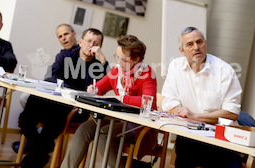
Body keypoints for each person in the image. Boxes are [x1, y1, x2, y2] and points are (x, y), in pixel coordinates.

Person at [61, 35, 157, 168]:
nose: (118, 62)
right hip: (119, 120)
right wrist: (93, 89)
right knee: (84, 129)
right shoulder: (117, 70)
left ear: (137, 59)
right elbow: (100, 87)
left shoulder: (146, 73)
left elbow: (149, 103)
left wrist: (123, 99)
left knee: (103, 136)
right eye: (117, 57)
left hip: (139, 125)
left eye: (123, 59)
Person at [19, 28, 109, 168]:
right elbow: (54, 76)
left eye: (96, 43)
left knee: (55, 117)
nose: (91, 45)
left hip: (75, 109)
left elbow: (103, 85)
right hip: (56, 101)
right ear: (80, 42)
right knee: (27, 113)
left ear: (100, 47)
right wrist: (69, 91)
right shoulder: (65, 55)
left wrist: (102, 59)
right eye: (89, 41)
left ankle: (35, 158)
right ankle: (42, 151)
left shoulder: (97, 66)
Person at [162, 26, 242, 168]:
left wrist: (195, 116)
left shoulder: (225, 70)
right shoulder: (175, 67)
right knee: (185, 147)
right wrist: (183, 113)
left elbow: (232, 112)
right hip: (189, 135)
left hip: (219, 139)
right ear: (182, 51)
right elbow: (169, 103)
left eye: (199, 42)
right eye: (190, 44)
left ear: (205, 43)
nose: (196, 47)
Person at [11, 23, 79, 153]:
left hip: (67, 101)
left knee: (33, 106)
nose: (63, 38)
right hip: (55, 94)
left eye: (66, 34)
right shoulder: (62, 55)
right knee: (26, 99)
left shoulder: (80, 55)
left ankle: (34, 143)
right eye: (60, 36)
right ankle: (41, 142)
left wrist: (61, 84)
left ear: (74, 35)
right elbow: (52, 76)